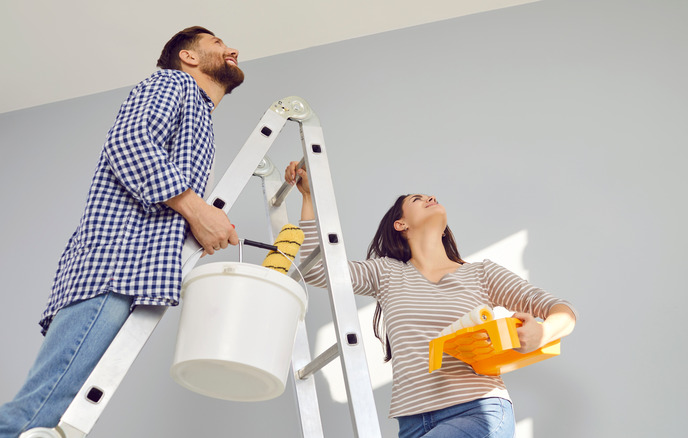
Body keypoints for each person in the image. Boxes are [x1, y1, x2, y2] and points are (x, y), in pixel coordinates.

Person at [0, 26, 242, 436]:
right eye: (217, 43)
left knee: (50, 421)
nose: (231, 49)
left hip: (132, 273)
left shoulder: (200, 119)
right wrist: (198, 211)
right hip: (115, 267)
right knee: (33, 416)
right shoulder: (173, 84)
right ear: (189, 57)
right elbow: (128, 142)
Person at [285, 162, 577, 438]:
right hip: (412, 423)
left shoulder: (481, 274)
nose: (430, 197)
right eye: (417, 198)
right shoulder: (386, 272)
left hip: (479, 409)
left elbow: (562, 311)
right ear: (400, 224)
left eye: (430, 196)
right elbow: (318, 271)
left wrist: (544, 332)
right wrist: (309, 198)